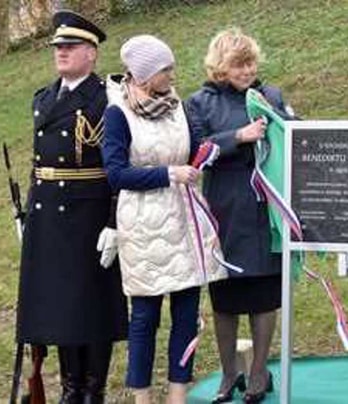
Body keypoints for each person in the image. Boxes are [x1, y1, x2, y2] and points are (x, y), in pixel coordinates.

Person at [102, 35, 227, 403]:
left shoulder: (177, 106)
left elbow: (197, 144)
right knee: (145, 317)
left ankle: (177, 393)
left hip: (183, 218)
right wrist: (169, 174)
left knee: (187, 312)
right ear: (143, 75)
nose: (172, 75)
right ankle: (142, 396)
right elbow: (116, 174)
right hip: (143, 224)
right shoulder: (117, 113)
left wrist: (209, 151)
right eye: (165, 69)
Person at [15, 10, 128, 403]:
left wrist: (114, 221)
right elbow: (37, 165)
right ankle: (70, 387)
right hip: (49, 217)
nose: (61, 52)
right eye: (58, 47)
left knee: (91, 304)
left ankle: (92, 389)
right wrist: (29, 214)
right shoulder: (44, 98)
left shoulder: (107, 97)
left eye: (70, 46)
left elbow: (120, 164)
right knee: (62, 305)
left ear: (91, 53)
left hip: (90, 216)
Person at [186, 28, 294, 404]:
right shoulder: (199, 102)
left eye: (251, 62)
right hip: (223, 207)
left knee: (264, 293)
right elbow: (196, 152)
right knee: (225, 296)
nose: (248, 70)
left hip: (265, 207)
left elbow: (292, 137)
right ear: (221, 65)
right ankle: (229, 371)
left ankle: (259, 372)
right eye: (238, 64)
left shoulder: (270, 95)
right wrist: (238, 137)